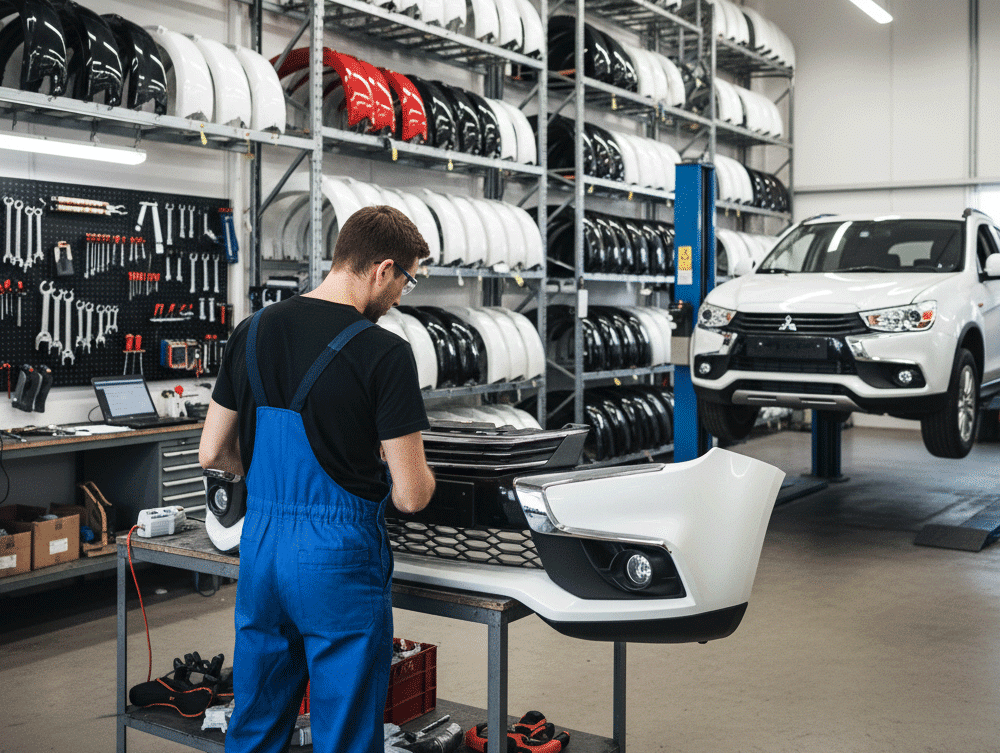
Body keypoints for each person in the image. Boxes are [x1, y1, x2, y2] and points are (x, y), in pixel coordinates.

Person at [199, 205, 436, 753]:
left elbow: (212, 450)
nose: (402, 295)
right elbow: (411, 495)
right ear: (382, 269)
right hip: (339, 559)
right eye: (407, 279)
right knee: (345, 731)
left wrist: (267, 486)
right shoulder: (386, 353)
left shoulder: (252, 330)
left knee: (255, 721)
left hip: (262, 549)